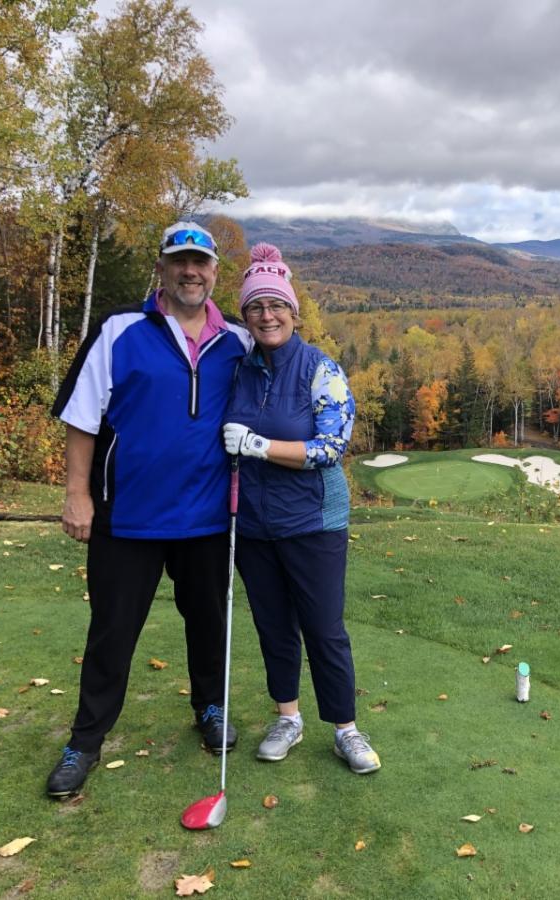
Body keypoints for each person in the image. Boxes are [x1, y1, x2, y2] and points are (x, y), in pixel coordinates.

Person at [45, 221, 253, 798]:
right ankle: (86, 740)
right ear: (161, 268)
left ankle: (210, 707)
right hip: (127, 516)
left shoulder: (237, 341)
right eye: (179, 261)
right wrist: (77, 494)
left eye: (200, 262)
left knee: (209, 623)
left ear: (215, 272)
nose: (190, 271)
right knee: (112, 632)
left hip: (208, 517)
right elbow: (82, 419)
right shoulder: (120, 329)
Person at [222, 242, 379, 774]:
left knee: (323, 628)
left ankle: (346, 729)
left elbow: (330, 448)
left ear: (293, 312)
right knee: (273, 626)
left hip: (314, 521)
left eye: (276, 305)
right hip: (253, 523)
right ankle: (287, 717)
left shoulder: (320, 369)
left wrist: (259, 446)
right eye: (256, 307)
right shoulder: (239, 370)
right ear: (245, 316)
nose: (267, 316)